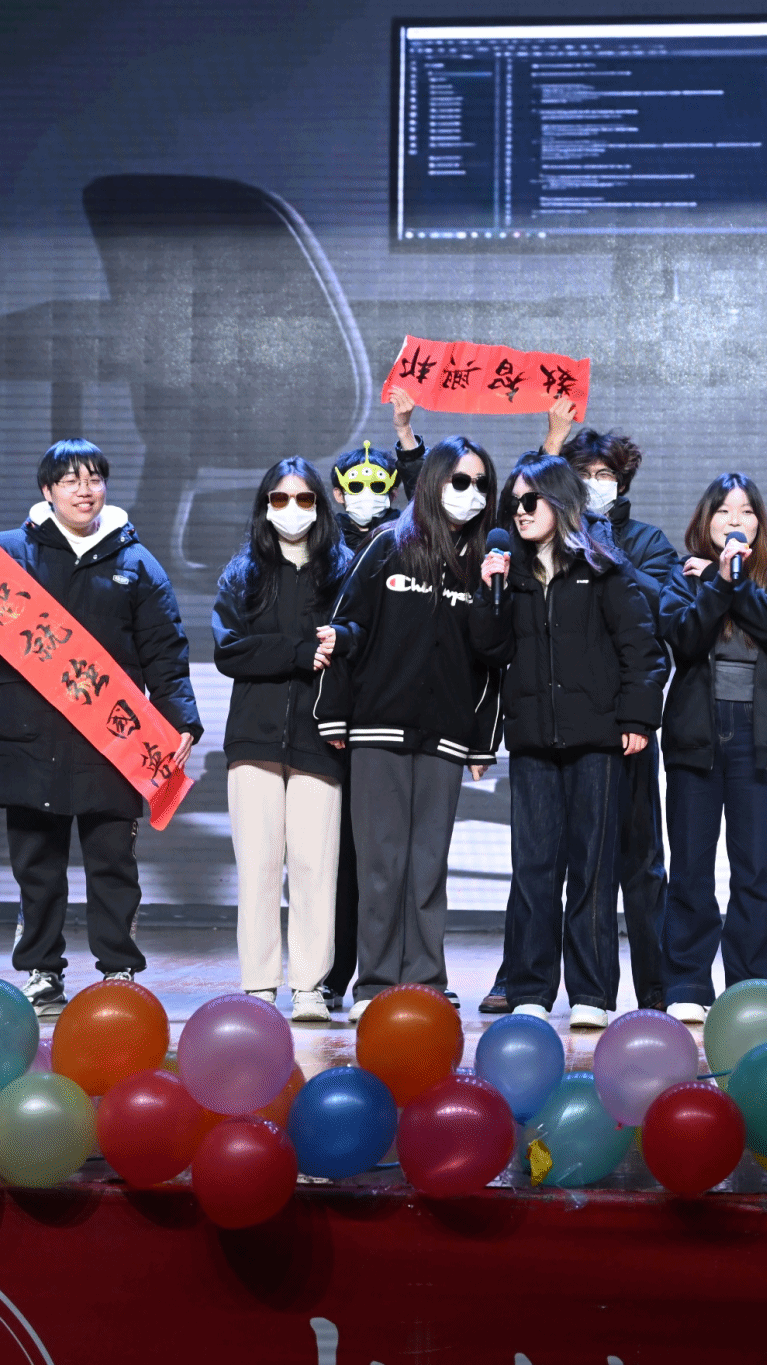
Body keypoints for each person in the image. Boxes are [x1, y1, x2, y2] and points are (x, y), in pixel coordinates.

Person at [0, 441, 200, 1018]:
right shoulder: (9, 553)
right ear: (47, 491)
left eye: (94, 478)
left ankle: (118, 972)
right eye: (70, 480)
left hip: (109, 742)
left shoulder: (137, 563)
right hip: (29, 737)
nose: (84, 491)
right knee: (37, 868)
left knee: (113, 866)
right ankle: (43, 974)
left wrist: (180, 723)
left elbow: (165, 652)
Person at [479, 402, 684, 1015]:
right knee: (534, 868)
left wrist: (637, 720)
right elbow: (488, 651)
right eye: (515, 502)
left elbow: (643, 650)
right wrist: (489, 595)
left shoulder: (604, 567)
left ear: (560, 503)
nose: (520, 511)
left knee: (594, 870)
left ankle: (592, 992)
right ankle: (531, 989)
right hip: (533, 743)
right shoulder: (509, 575)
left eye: (532, 500)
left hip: (597, 742)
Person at [315, 429, 502, 1019]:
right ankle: (374, 983)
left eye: (480, 484)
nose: (470, 493)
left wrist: (483, 743)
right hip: (377, 731)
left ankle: (424, 980)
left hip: (447, 736)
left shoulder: (485, 565)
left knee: (427, 865)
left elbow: (492, 661)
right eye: (459, 480)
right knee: (380, 864)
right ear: (434, 482)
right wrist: (333, 713)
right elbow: (347, 628)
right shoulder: (387, 546)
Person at [656, 474, 767, 1024]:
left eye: (745, 511)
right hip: (697, 736)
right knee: (691, 868)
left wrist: (731, 582)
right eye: (723, 511)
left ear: (758, 523)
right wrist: (716, 584)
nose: (734, 520)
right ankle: (688, 982)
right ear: (706, 519)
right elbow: (686, 638)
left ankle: (751, 988)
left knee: (754, 872)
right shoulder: (681, 575)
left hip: (757, 741)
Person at [213, 458, 353, 1023]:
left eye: (303, 498)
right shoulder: (243, 572)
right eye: (279, 498)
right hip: (254, 739)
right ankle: (259, 987)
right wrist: (298, 651)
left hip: (321, 739)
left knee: (317, 868)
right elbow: (229, 651)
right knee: (259, 868)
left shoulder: (343, 572)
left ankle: (310, 987)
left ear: (320, 505)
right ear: (264, 506)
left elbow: (357, 643)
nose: (291, 509)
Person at [321, 385, 431, 1010]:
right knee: (340, 855)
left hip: (391, 715)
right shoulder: (322, 549)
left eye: (378, 485)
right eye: (354, 486)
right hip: (335, 717)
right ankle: (336, 973)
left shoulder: (408, 541)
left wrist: (407, 436)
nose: (367, 495)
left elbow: (432, 495)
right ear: (337, 492)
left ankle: (392, 973)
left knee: (390, 853)